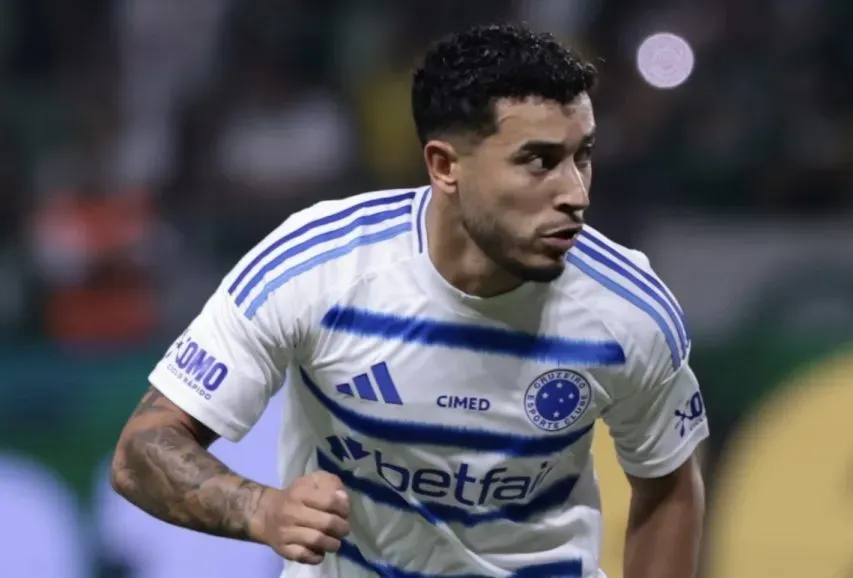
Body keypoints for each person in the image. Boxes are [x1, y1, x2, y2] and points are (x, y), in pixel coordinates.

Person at [110, 23, 708, 578]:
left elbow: (668, 485)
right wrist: (258, 508)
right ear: (445, 166)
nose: (576, 193)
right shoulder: (315, 269)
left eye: (583, 156)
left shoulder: (629, 310)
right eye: (539, 161)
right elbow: (143, 448)